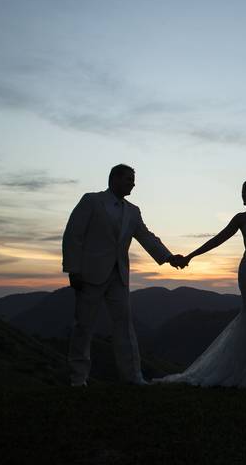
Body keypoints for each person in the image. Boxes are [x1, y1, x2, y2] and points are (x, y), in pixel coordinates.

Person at [153, 177, 246, 390]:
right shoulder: (241, 218)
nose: (243, 196)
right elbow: (217, 239)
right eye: (243, 193)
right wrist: (191, 255)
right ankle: (243, 371)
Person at [61, 163, 186, 386]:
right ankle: (78, 379)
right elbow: (73, 235)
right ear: (114, 179)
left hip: (118, 276)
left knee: (124, 327)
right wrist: (73, 269)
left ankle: (133, 378)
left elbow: (147, 237)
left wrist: (169, 257)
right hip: (89, 275)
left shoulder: (133, 211)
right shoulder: (91, 201)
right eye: (129, 179)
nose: (133, 184)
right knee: (84, 327)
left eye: (133, 179)